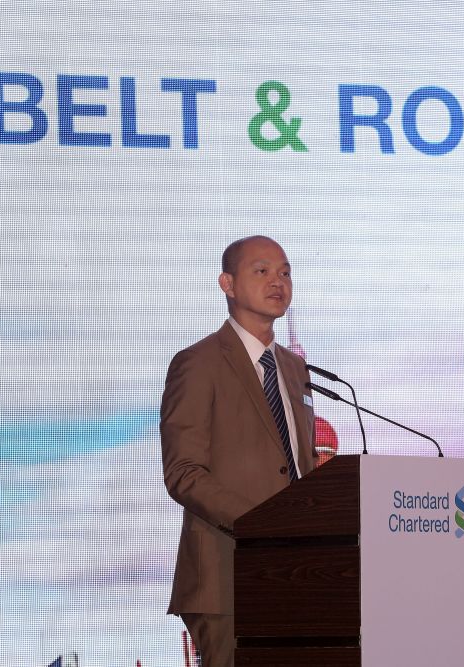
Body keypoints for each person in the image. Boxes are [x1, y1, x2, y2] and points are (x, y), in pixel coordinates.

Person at [160, 235, 317, 666]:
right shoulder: (197, 363)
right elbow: (183, 471)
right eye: (262, 270)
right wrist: (261, 524)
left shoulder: (295, 366)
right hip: (225, 574)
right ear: (226, 284)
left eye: (286, 272)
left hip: (298, 571)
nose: (278, 282)